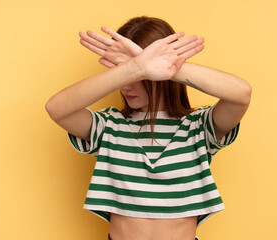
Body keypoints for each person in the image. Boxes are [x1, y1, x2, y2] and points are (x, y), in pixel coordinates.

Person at [45, 16, 251, 240]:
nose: (126, 84)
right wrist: (135, 67)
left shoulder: (198, 127)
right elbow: (57, 108)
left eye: (139, 74)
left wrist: (165, 65)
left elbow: (241, 94)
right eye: (122, 71)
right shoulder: (109, 127)